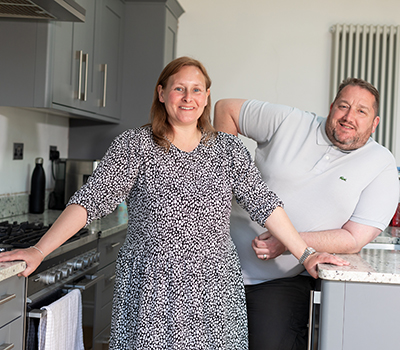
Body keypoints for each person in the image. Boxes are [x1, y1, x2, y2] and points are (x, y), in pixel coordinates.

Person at [0, 57, 346, 350]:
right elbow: (89, 202)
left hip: (212, 287)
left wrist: (306, 254)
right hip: (151, 284)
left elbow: (266, 205)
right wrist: (39, 251)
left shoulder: (228, 151)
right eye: (179, 88)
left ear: (207, 97)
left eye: (197, 89)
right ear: (162, 93)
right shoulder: (134, 145)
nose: (188, 97)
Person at [213, 77, 399, 350]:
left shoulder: (381, 164)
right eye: (343, 106)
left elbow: (353, 238)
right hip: (215, 265)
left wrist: (289, 242)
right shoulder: (290, 121)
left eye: (362, 111)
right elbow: (225, 108)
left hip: (281, 281)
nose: (349, 117)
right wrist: (220, 182)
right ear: (332, 106)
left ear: (375, 123)